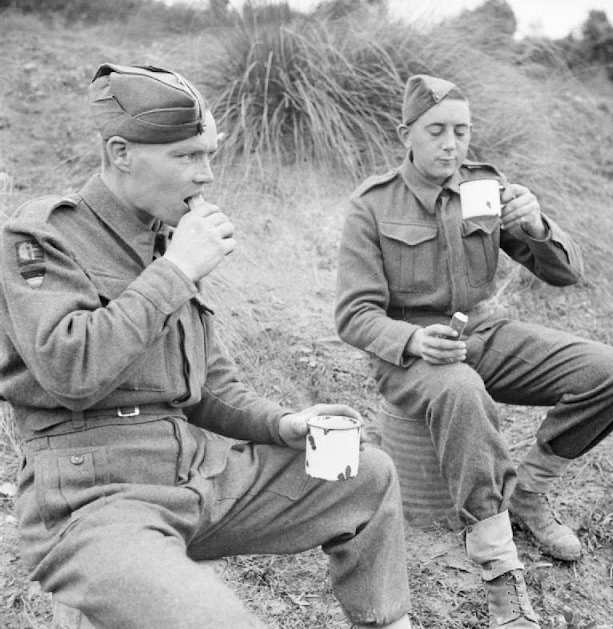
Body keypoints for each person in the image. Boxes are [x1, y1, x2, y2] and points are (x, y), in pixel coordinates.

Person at [0, 63, 414, 629]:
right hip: (95, 498)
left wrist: (284, 423)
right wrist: (175, 271)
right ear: (122, 152)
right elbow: (69, 368)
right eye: (188, 156)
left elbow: (209, 388)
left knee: (365, 477)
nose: (207, 174)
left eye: (210, 155)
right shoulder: (44, 235)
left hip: (193, 475)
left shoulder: (167, 243)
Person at [335, 74, 613, 629]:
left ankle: (530, 493)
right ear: (406, 133)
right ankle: (502, 577)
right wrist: (411, 339)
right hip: (414, 355)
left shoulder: (484, 187)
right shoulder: (372, 206)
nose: (451, 144)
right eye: (436, 131)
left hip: (482, 334)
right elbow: (353, 316)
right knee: (461, 389)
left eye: (461, 131)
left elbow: (564, 274)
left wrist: (536, 223)